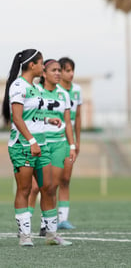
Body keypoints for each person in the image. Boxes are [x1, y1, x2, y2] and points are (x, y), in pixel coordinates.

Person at [1, 49, 71, 246]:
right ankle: (25, 236)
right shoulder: (18, 86)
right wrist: (31, 141)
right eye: (42, 64)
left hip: (42, 145)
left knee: (48, 188)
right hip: (23, 146)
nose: (43, 67)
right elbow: (16, 117)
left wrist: (49, 119)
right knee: (24, 190)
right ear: (32, 65)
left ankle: (51, 235)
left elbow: (32, 115)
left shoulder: (35, 87)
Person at [27, 59, 77, 242]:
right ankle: (25, 224)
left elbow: (68, 123)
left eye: (59, 70)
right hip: (40, 143)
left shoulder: (64, 94)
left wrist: (72, 146)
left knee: (51, 187)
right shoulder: (35, 92)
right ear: (44, 73)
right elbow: (29, 116)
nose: (58, 73)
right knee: (34, 188)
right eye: (54, 70)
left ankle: (45, 225)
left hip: (58, 144)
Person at [56, 57, 82, 229]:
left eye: (72, 70)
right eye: (67, 70)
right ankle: (33, 218)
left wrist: (77, 141)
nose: (70, 73)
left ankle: (62, 219)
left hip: (69, 139)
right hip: (54, 139)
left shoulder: (77, 90)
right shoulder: (53, 90)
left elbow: (78, 117)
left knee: (65, 179)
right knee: (42, 185)